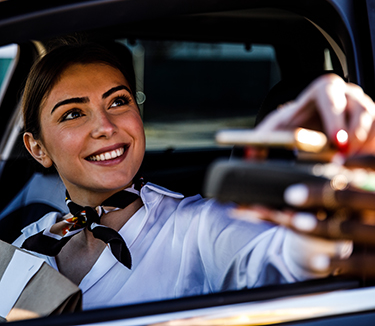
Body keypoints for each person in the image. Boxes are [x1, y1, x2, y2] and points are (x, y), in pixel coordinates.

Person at [13, 41, 375, 310]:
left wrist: (333, 188)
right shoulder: (28, 242)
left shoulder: (199, 225)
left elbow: (283, 266)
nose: (105, 127)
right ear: (37, 148)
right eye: (74, 114)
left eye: (118, 101)